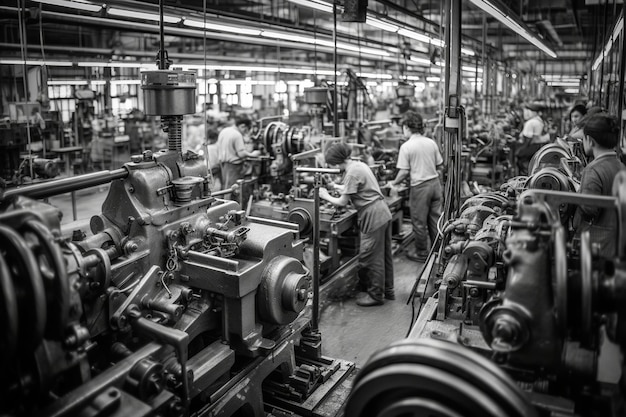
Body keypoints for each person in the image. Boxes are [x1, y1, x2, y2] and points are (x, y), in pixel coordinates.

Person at [319, 143, 394, 307]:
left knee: (370, 258)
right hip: (382, 212)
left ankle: (375, 295)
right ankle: (388, 290)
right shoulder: (358, 165)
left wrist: (324, 195)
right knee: (384, 255)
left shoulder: (351, 173)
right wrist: (336, 186)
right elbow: (353, 188)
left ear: (335, 162)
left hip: (372, 215)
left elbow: (342, 202)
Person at [389, 111, 443, 263]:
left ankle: (422, 253)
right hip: (435, 184)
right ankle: (438, 251)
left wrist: (393, 183)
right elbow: (440, 165)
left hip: (420, 187)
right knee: (435, 220)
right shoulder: (430, 142)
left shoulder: (407, 146)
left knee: (419, 222)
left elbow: (404, 171)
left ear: (406, 127)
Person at [575, 113, 625, 257]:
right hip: (616, 241)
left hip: (597, 244)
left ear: (589, 140)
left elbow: (589, 208)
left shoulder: (593, 169)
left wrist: (576, 195)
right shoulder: (620, 166)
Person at [216, 115, 260, 193]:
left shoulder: (224, 131)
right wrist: (253, 154)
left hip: (222, 164)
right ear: (242, 126)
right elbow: (241, 154)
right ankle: (231, 204)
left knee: (225, 188)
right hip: (234, 166)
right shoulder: (237, 135)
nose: (245, 133)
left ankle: (224, 204)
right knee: (232, 189)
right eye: (245, 130)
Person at [515, 102, 550, 175]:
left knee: (522, 162)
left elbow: (528, 139)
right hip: (540, 147)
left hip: (533, 147)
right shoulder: (540, 120)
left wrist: (520, 150)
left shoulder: (531, 122)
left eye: (529, 111)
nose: (526, 113)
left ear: (535, 113)